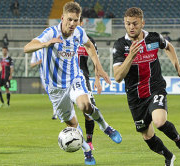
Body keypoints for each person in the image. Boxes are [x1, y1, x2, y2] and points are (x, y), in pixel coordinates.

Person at [24, 2, 122, 165]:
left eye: (75, 20)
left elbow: (90, 46)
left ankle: (106, 127)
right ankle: (86, 150)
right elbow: (27, 48)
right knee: (73, 124)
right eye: (69, 19)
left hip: (74, 78)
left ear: (79, 20)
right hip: (55, 87)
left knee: (85, 105)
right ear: (62, 18)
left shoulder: (79, 32)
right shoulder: (51, 33)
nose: (72, 24)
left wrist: (99, 68)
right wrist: (45, 44)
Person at [112, 7, 180, 166]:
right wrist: (130, 57)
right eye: (128, 24)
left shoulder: (154, 38)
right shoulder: (120, 45)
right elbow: (117, 77)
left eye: (135, 23)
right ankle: (169, 156)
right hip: (135, 96)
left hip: (155, 88)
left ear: (142, 23)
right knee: (147, 136)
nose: (131, 27)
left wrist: (179, 69)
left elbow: (169, 47)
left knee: (159, 121)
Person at [77, 17, 100, 150]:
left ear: (81, 23)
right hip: (67, 80)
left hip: (83, 80)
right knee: (69, 114)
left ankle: (89, 141)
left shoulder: (88, 40)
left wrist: (97, 79)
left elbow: (95, 62)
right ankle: (77, 139)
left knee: (89, 110)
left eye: (77, 22)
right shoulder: (64, 38)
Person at [30, 49, 58, 120]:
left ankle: (56, 112)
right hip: (43, 76)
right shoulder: (35, 52)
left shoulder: (49, 48)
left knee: (54, 92)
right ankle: (57, 111)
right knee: (51, 92)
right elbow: (32, 64)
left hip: (53, 73)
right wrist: (38, 62)